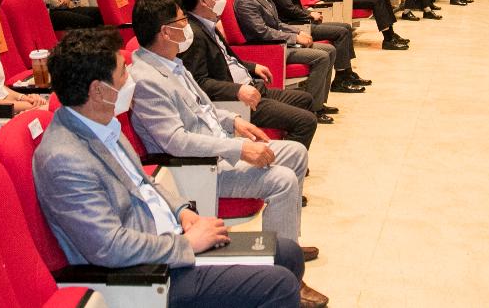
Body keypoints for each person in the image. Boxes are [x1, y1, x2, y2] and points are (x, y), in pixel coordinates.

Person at [33, 28, 309, 308]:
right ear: (98, 90)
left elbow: (144, 182)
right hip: (150, 274)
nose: (130, 78)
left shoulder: (102, 123)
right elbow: (109, 247)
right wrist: (188, 244)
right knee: (280, 286)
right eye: (122, 74)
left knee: (287, 254)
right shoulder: (63, 159)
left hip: (171, 234)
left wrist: (181, 210)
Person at [126, 0, 322, 271]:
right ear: (166, 32)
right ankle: (284, 269)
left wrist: (233, 121)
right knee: (283, 180)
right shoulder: (146, 80)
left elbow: (201, 107)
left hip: (218, 145)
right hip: (199, 169)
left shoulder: (171, 63)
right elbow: (176, 141)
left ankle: (287, 245)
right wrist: (239, 148)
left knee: (296, 153)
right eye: (182, 21)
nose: (187, 27)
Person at [177, 0, 322, 147]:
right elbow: (198, 82)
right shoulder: (193, 34)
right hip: (235, 100)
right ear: (203, 0)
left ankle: (291, 157)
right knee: (306, 121)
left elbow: (224, 58)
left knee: (305, 99)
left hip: (253, 86)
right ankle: (280, 164)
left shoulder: (208, 23)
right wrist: (237, 90)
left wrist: (252, 67)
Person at [232, 0, 334, 119]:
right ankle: (312, 109)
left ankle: (319, 103)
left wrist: (298, 32)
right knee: (321, 57)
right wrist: (293, 38)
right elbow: (261, 32)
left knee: (330, 50)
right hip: (269, 48)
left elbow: (277, 23)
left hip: (280, 41)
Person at [264, 0, 369, 92]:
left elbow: (293, 4)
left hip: (300, 18)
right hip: (295, 25)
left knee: (345, 27)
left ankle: (346, 72)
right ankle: (341, 79)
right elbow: (288, 9)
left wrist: (307, 12)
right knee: (341, 32)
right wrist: (309, 14)